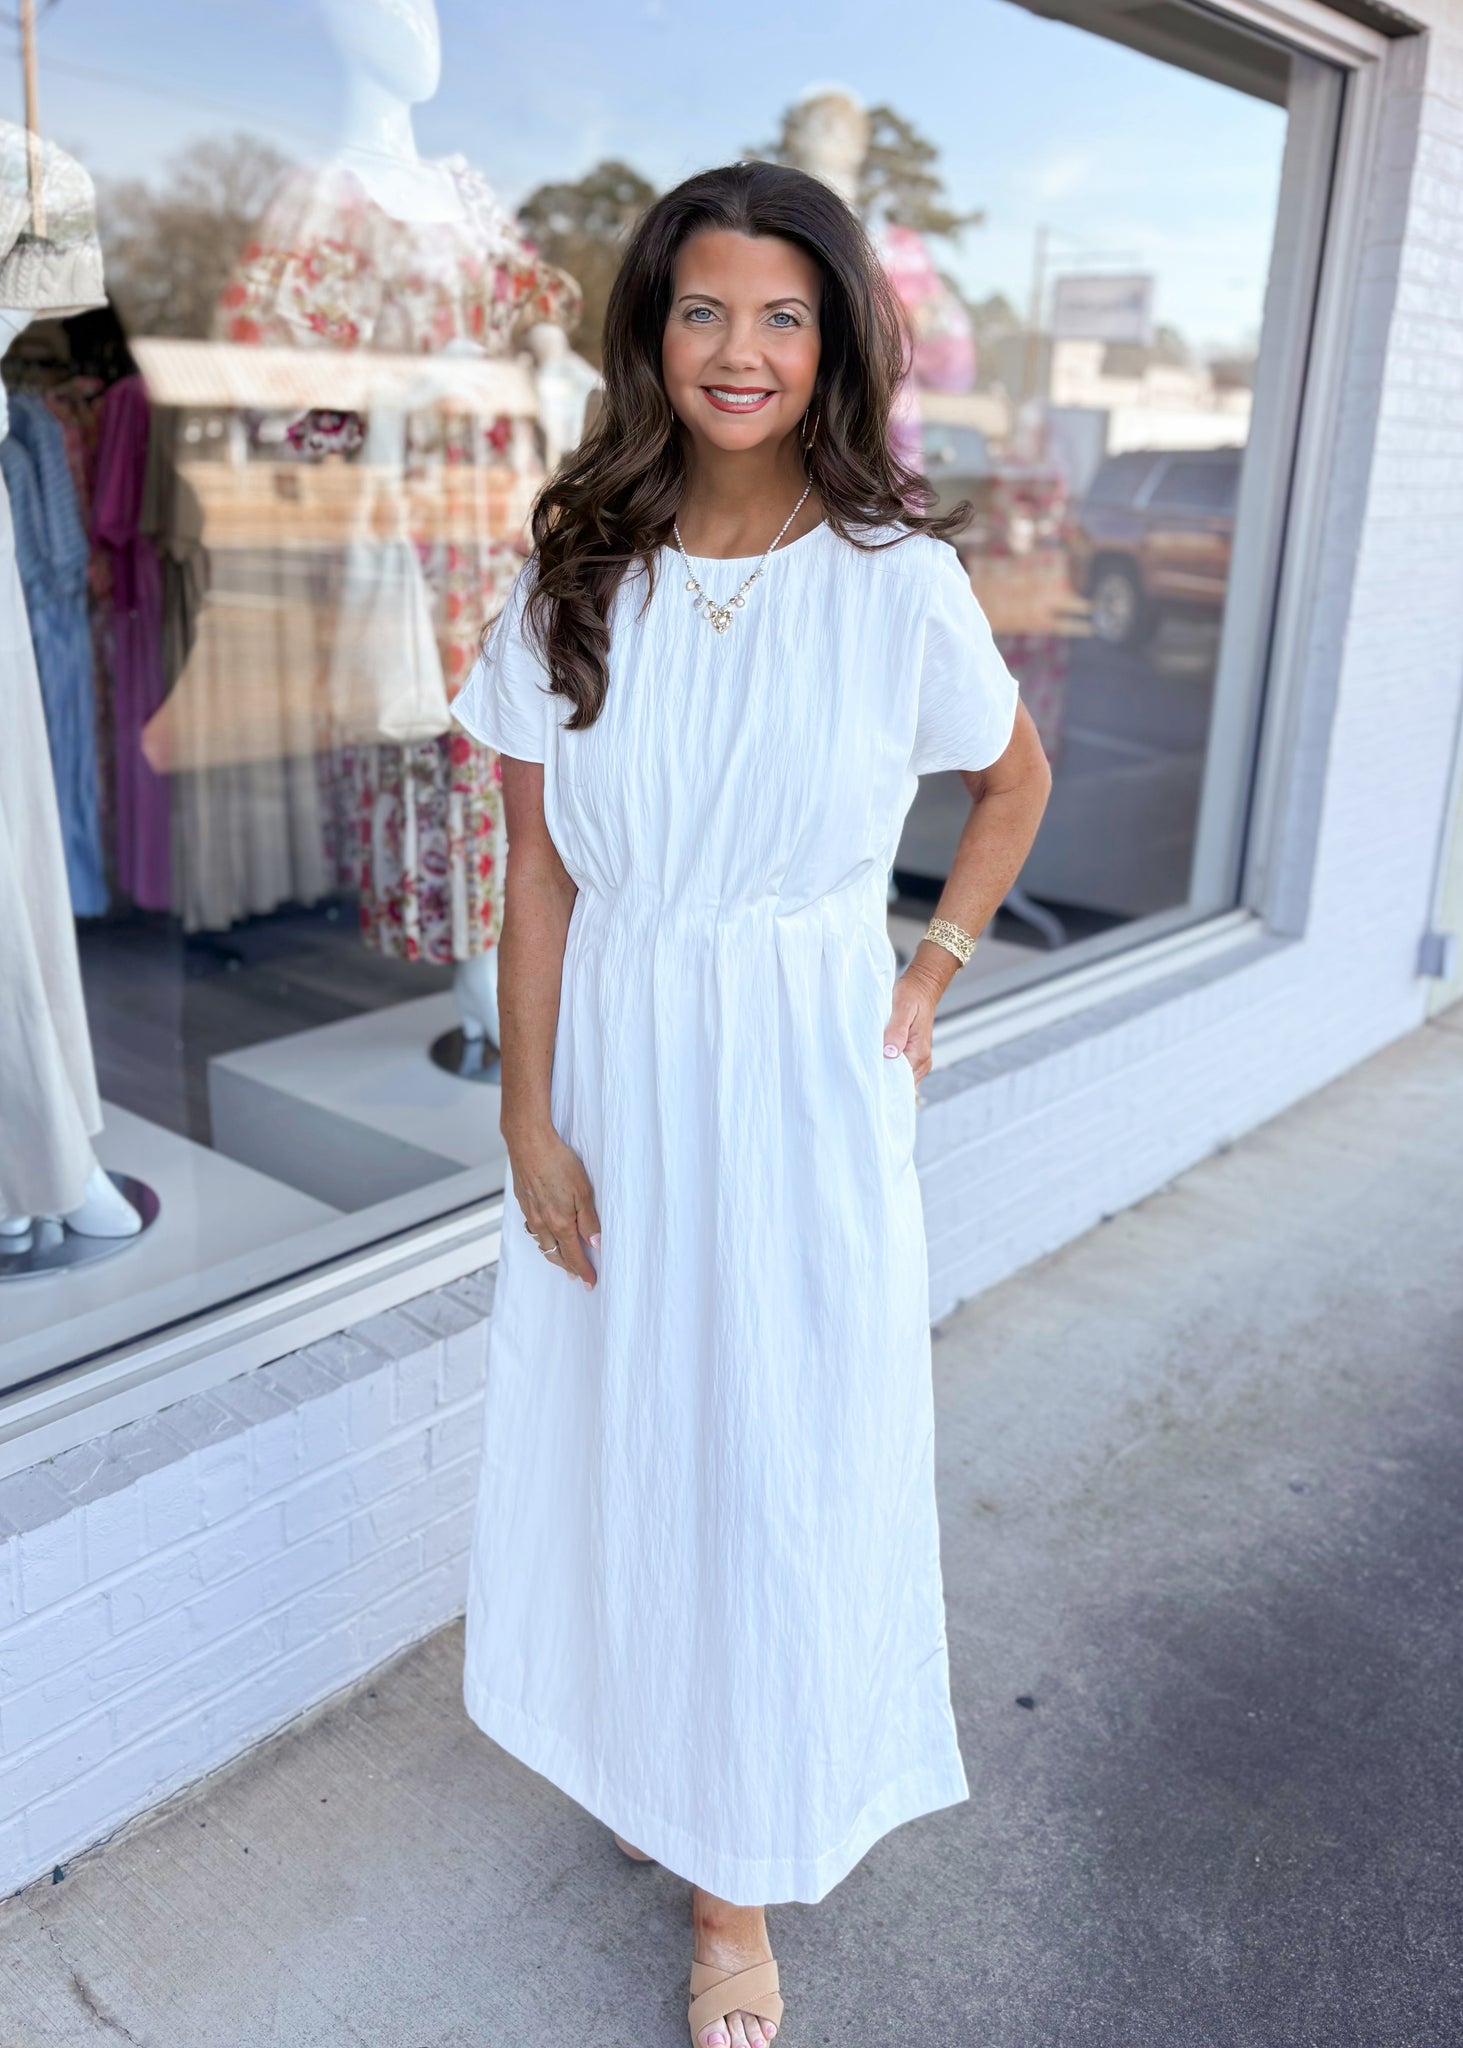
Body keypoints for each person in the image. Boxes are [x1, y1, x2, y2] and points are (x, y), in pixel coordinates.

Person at [452, 160, 1052, 2048]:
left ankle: (737, 1886)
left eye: (784, 315)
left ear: (832, 342)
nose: (741, 349)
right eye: (703, 309)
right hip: (620, 1064)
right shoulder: (576, 571)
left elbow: (1013, 783)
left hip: (801, 1073)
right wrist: (527, 1119)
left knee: (779, 1448)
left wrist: (929, 971)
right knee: (633, 1431)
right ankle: (661, 1756)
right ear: (651, 331)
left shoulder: (896, 581)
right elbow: (539, 873)